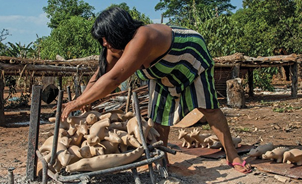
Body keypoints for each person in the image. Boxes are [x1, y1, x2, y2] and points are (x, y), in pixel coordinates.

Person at [61, 7, 252, 174]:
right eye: (101, 39)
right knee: (159, 115)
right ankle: (162, 159)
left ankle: (232, 155)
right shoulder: (114, 47)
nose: (103, 43)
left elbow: (114, 79)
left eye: (105, 37)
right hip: (161, 70)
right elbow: (101, 75)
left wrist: (78, 102)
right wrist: (82, 99)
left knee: (208, 108)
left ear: (117, 31)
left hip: (189, 54)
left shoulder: (142, 37)